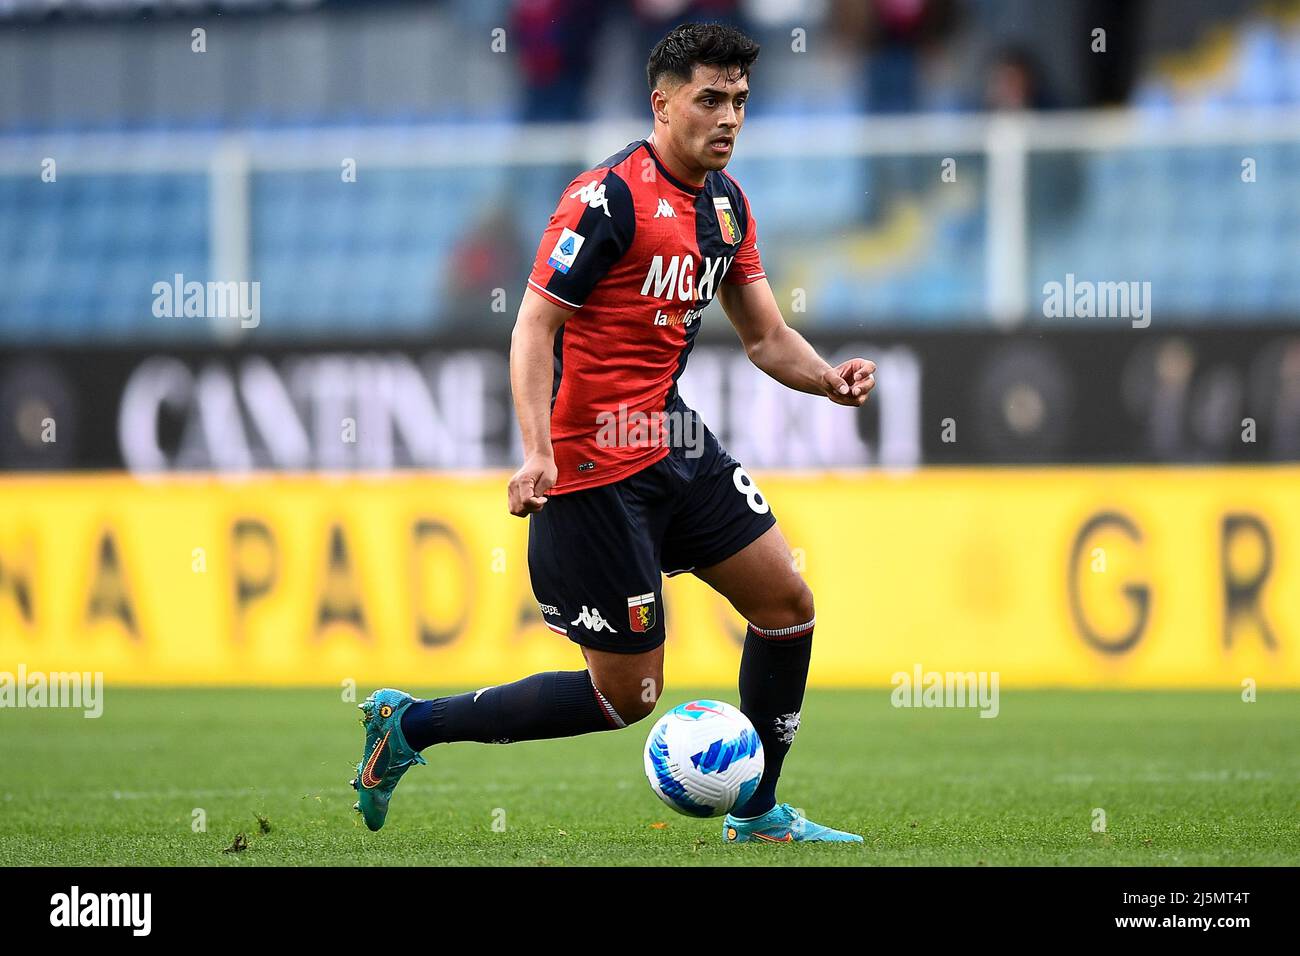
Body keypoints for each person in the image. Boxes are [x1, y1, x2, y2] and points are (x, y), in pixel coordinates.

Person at [353, 21, 875, 844]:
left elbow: (768, 337)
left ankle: (758, 810)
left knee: (787, 605)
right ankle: (411, 725)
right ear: (661, 104)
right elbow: (532, 328)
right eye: (710, 99)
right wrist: (537, 451)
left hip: (673, 441)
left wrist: (828, 378)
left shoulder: (729, 209)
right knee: (625, 698)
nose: (730, 116)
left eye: (740, 99)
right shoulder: (610, 200)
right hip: (592, 470)